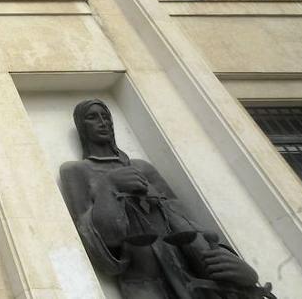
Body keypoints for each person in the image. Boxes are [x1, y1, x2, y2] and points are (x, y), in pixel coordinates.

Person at [59, 99, 272, 299]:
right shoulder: (76, 171)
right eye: (92, 117)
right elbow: (98, 237)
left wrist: (231, 260)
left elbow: (185, 222)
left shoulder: (142, 167)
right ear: (82, 126)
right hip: (144, 282)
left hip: (189, 273)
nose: (103, 122)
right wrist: (108, 186)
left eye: (106, 116)